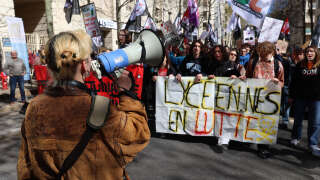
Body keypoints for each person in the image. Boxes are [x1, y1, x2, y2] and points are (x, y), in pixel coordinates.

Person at [17, 30, 150, 180]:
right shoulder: (99, 108)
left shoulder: (34, 107)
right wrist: (125, 93)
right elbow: (139, 135)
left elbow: (25, 166)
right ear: (83, 66)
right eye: (88, 59)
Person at [246, 41, 284, 159]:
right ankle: (251, 139)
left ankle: (263, 147)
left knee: (266, 122)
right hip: (255, 97)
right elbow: (247, 77)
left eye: (265, 54)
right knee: (254, 120)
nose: (262, 56)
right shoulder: (253, 62)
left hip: (270, 99)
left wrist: (278, 83)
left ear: (271, 52)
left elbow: (282, 82)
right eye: (261, 54)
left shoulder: (278, 64)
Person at [289, 46, 320, 157]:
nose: (309, 53)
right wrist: (291, 95)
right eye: (307, 51)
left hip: (316, 99)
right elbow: (294, 82)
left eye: (311, 51)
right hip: (300, 97)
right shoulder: (300, 65)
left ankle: (313, 143)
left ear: (316, 53)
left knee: (315, 122)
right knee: (298, 118)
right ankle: (295, 137)